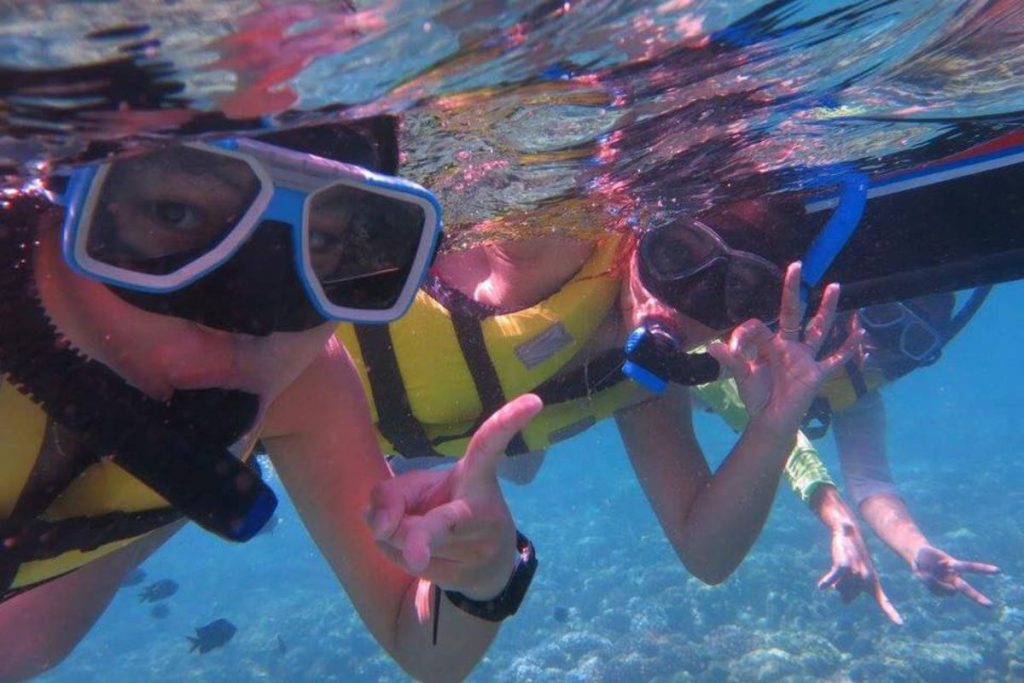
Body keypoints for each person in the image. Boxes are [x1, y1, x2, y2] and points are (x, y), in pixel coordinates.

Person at [0, 117, 542, 682]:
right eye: (173, 213)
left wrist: (484, 575)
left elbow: (426, 647)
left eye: (321, 240)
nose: (253, 319)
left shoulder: (305, 384)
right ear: (48, 198)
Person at [336, 193, 865, 602]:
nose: (686, 303)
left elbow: (707, 553)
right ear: (640, 232)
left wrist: (769, 431)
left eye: (735, 291)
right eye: (677, 254)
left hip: (297, 428)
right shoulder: (557, 239)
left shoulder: (641, 389)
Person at [799, 289, 1001, 606]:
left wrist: (916, 548)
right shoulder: (795, 320)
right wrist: (837, 518)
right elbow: (768, 426)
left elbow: (871, 482)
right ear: (856, 307)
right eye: (882, 315)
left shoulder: (858, 397)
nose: (880, 341)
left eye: (914, 339)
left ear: (920, 356)